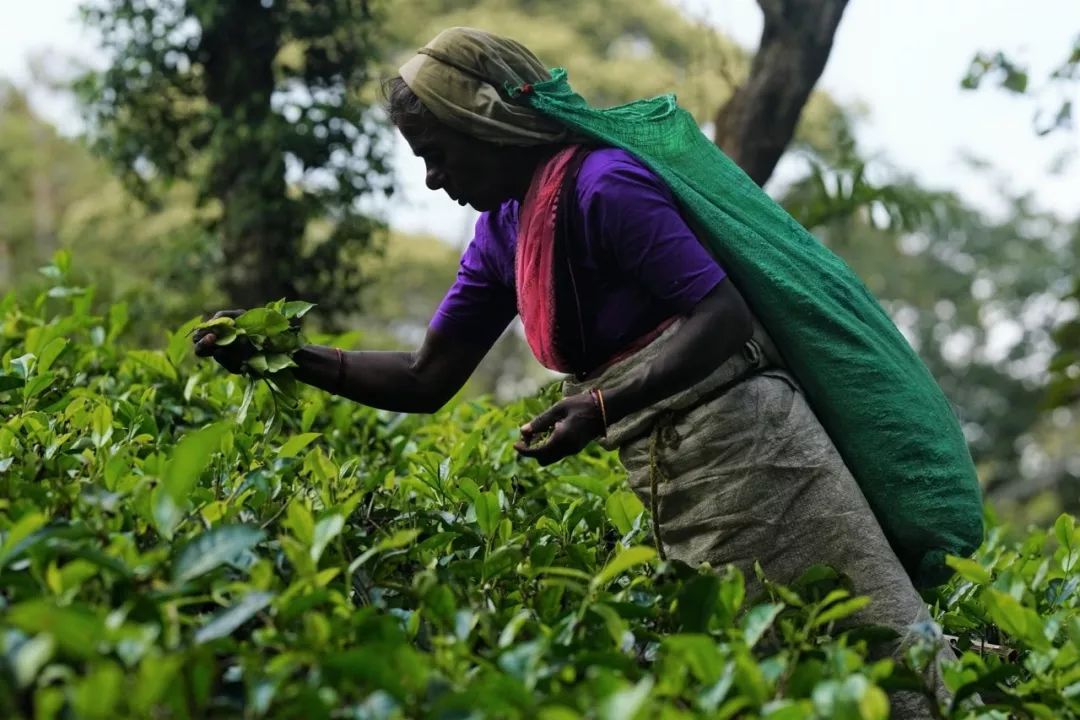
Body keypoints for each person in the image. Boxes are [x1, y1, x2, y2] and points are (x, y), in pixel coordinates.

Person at [195, 27, 964, 717]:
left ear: (485, 122)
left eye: (437, 153)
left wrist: (599, 405)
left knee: (882, 665)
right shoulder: (502, 230)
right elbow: (425, 376)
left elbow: (720, 316)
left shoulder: (602, 185)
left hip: (759, 455)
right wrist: (283, 355)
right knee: (768, 683)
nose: (432, 178)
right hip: (673, 475)